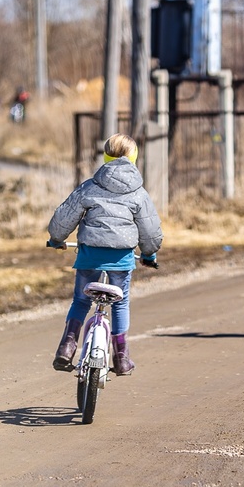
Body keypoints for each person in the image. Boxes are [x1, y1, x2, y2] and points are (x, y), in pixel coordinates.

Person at [47, 133, 163, 375]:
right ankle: (121, 359)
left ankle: (66, 348)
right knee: (120, 304)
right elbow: (150, 232)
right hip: (121, 259)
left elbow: (64, 218)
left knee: (81, 301)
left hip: (89, 255)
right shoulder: (138, 193)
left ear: (106, 156)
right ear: (134, 158)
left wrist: (57, 239)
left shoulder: (90, 187)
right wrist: (149, 254)